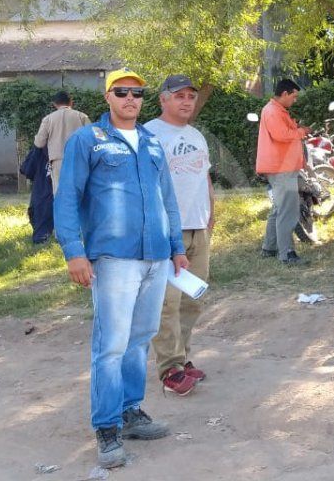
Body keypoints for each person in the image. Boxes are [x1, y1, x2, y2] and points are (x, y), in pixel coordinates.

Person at [54, 68, 188, 469]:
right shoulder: (87, 140)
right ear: (108, 97)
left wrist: (176, 247)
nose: (130, 99)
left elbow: (167, 198)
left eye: (137, 93)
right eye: (122, 92)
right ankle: (107, 426)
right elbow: (67, 197)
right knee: (111, 344)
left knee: (140, 337)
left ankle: (130, 412)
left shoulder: (150, 142)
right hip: (113, 259)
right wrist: (74, 252)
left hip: (154, 256)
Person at [145, 75, 214, 397]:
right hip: (166, 232)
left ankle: (182, 357)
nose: (187, 101)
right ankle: (169, 367)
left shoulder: (197, 135)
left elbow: (204, 177)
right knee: (166, 304)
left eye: (191, 96)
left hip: (198, 228)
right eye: (179, 96)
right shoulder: (148, 134)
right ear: (163, 100)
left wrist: (210, 213)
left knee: (192, 300)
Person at [256, 77, 311, 265]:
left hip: (281, 167)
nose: (295, 100)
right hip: (281, 168)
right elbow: (282, 135)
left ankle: (269, 248)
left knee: (279, 209)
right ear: (285, 93)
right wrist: (302, 131)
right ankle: (286, 254)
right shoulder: (272, 111)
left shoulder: (277, 110)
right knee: (287, 212)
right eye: (294, 97)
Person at [34, 90, 91, 193]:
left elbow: (39, 143)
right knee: (80, 193)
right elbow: (92, 140)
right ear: (71, 102)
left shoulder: (48, 119)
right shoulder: (82, 116)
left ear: (54, 104)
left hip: (58, 161)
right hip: (79, 160)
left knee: (60, 194)